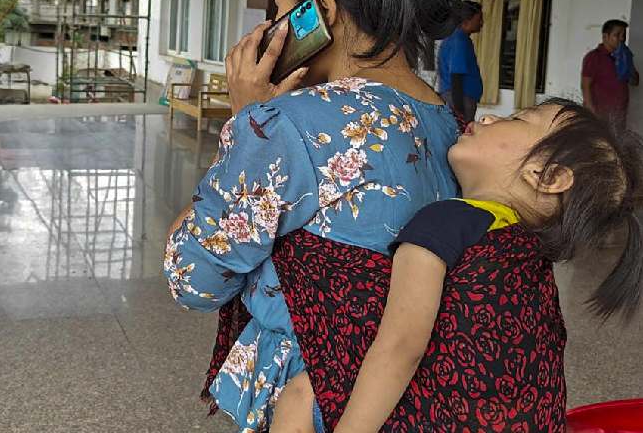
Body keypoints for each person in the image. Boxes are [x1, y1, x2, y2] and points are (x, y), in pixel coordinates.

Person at [163, 0, 464, 433]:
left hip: (313, 393)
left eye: (283, 14)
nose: (274, 31)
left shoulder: (288, 124)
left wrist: (248, 122)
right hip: (402, 392)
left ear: (321, 10)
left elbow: (195, 277)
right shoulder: (446, 121)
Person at [273, 99, 643, 432]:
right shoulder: (530, 253)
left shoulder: (446, 221)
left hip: (440, 417)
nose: (488, 116)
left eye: (517, 118)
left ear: (547, 176)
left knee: (302, 394)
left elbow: (401, 345)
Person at [582, 19, 639, 128]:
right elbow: (585, 86)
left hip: (619, 116)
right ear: (605, 36)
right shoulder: (594, 57)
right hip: (600, 116)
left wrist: (628, 65)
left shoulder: (624, 56)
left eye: (624, 35)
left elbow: (635, 82)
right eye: (617, 35)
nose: (622, 39)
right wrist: (591, 113)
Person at [437, 1, 483, 122]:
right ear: (466, 21)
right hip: (459, 99)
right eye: (479, 19)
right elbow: (456, 75)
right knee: (461, 134)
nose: (481, 23)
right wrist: (459, 110)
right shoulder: (459, 40)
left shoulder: (457, 38)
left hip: (458, 97)